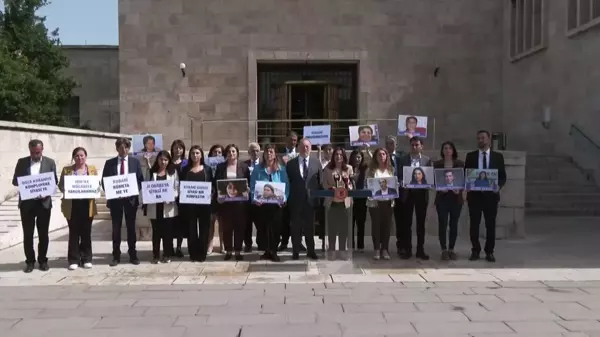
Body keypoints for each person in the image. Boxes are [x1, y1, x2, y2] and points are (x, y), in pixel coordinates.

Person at [12, 139, 58, 273]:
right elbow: (15, 181)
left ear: (42, 150)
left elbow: (53, 181)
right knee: (28, 235)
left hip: (43, 204)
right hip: (27, 204)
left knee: (43, 234)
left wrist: (46, 192)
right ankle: (30, 262)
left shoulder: (50, 162)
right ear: (29, 151)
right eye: (32, 153)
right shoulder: (22, 162)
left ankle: (43, 260)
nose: (35, 155)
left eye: (37, 152)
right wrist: (26, 184)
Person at [101, 137, 145, 267]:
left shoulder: (135, 162)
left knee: (131, 228)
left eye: (126, 147)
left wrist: (131, 191)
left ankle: (133, 254)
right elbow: (105, 181)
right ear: (116, 149)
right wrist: (114, 192)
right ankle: (116, 255)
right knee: (116, 228)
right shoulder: (109, 163)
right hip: (115, 201)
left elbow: (139, 179)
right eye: (120, 147)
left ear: (128, 148)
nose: (123, 150)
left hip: (130, 200)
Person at [465, 130, 507, 263]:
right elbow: (467, 174)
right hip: (475, 197)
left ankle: (489, 251)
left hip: (491, 197)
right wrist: (469, 185)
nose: (480, 140)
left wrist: (498, 187)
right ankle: (475, 250)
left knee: (490, 225)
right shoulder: (470, 156)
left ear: (489, 139)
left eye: (483, 138)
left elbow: (502, 177)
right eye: (478, 138)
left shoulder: (497, 157)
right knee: (474, 225)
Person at [58, 147, 98, 270]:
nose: (79, 158)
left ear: (85, 157)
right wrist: (68, 190)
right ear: (73, 157)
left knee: (86, 233)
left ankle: (86, 258)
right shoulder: (67, 170)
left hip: (87, 205)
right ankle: (73, 259)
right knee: (74, 233)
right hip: (72, 205)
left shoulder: (92, 169)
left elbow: (96, 184)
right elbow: (61, 185)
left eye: (82, 155)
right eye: (77, 156)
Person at [250, 144, 289, 262]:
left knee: (276, 228)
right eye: (267, 152)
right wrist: (255, 198)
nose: (269, 154)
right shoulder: (258, 169)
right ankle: (267, 251)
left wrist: (284, 199)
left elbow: (286, 186)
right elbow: (252, 185)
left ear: (275, 154)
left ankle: (274, 251)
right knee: (264, 228)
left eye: (271, 152)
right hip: (262, 205)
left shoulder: (281, 169)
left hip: (277, 205)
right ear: (264, 154)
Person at [214, 144, 251, 261]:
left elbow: (248, 183)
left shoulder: (244, 167)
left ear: (237, 153)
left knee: (239, 227)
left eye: (234, 151)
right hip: (225, 204)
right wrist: (217, 196)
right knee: (227, 228)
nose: (231, 154)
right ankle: (229, 250)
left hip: (240, 204)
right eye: (229, 152)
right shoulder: (220, 167)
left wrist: (248, 190)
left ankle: (238, 251)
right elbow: (217, 183)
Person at [398, 136, 432, 260]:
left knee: (421, 224)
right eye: (412, 145)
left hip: (422, 195)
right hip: (407, 194)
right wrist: (402, 182)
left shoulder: (427, 160)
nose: (414, 147)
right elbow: (399, 176)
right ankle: (407, 250)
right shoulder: (403, 159)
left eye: (417, 145)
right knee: (407, 223)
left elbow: (429, 177)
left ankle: (420, 250)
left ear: (421, 146)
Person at [286, 138, 320, 260]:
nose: (305, 148)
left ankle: (311, 251)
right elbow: (287, 183)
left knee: (310, 228)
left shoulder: (316, 163)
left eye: (307, 146)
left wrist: (318, 201)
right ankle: (295, 252)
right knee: (296, 228)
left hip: (310, 202)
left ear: (310, 148)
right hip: (295, 201)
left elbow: (319, 182)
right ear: (298, 147)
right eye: (303, 146)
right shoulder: (290, 164)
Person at [144, 150, 179, 264]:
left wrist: (171, 197)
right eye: (161, 159)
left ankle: (167, 254)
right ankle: (155, 255)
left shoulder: (173, 172)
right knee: (156, 233)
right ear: (157, 160)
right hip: (155, 207)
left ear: (168, 161)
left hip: (168, 207)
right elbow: (146, 187)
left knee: (167, 233)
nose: (163, 162)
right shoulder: (151, 172)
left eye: (165, 160)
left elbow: (177, 189)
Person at [180, 145, 213, 262]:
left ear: (201, 155)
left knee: (204, 229)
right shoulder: (185, 170)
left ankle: (202, 253)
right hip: (189, 205)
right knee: (191, 230)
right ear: (190, 155)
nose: (195, 155)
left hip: (204, 205)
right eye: (193, 153)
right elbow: (181, 186)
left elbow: (212, 185)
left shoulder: (207, 169)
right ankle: (193, 254)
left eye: (197, 153)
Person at [433, 141, 464, 261]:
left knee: (454, 224)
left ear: (453, 150)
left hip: (456, 198)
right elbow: (434, 181)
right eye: (445, 148)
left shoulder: (460, 164)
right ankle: (443, 249)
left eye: (450, 148)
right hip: (442, 198)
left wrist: (459, 190)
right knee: (443, 223)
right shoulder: (437, 164)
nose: (447, 150)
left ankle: (451, 249)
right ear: (442, 151)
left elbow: (464, 180)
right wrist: (441, 189)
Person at [322, 147, 354, 260]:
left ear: (344, 156)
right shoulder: (328, 169)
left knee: (343, 228)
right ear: (333, 156)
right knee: (332, 228)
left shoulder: (349, 168)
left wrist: (348, 186)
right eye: (336, 154)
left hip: (345, 203)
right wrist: (332, 189)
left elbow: (351, 185)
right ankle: (331, 251)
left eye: (341, 154)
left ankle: (341, 251)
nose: (338, 156)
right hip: (332, 202)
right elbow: (324, 184)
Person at [365, 148, 394, 260]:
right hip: (375, 203)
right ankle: (377, 249)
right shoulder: (372, 170)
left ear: (386, 156)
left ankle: (385, 249)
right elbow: (368, 184)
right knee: (376, 226)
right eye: (379, 155)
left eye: (383, 154)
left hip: (388, 202)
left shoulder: (391, 170)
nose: (381, 156)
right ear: (375, 157)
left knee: (386, 226)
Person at [170, 139, 188, 258]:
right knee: (170, 223)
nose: (178, 150)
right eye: (176, 148)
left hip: (183, 197)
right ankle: (170, 247)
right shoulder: (167, 162)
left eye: (180, 148)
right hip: (170, 197)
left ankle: (179, 247)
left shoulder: (186, 163)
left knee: (181, 223)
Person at [207, 144, 225, 254]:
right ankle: (210, 245)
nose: (217, 154)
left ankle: (223, 244)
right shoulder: (206, 166)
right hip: (210, 197)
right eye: (215, 152)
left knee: (222, 222)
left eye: (219, 152)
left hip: (221, 196)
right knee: (210, 222)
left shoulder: (224, 166)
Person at [243, 142, 261, 252]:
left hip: (259, 199)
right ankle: (248, 244)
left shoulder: (263, 165)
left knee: (260, 222)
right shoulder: (244, 165)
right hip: (246, 199)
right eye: (252, 151)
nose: (255, 153)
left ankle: (261, 243)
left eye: (257, 150)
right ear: (249, 152)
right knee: (247, 223)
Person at [349, 150, 367, 252]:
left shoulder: (364, 169)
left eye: (359, 157)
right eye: (355, 157)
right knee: (350, 223)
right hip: (350, 199)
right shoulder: (348, 168)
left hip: (361, 199)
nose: (357, 159)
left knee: (361, 223)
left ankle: (360, 246)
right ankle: (351, 245)